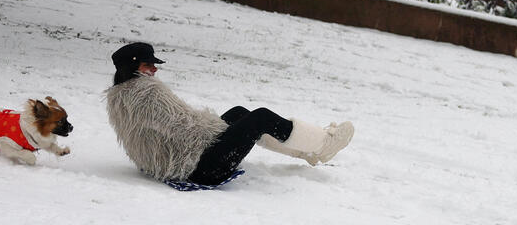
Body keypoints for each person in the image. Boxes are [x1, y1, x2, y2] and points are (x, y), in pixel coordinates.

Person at [105, 42, 354, 186]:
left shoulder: (121, 95)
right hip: (197, 168)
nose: (155, 69)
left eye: (154, 64)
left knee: (239, 114)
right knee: (261, 117)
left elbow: (172, 127)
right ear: (132, 67)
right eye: (148, 65)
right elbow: (183, 127)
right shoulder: (147, 94)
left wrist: (224, 129)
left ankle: (305, 151)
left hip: (179, 162)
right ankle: (323, 144)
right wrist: (219, 131)